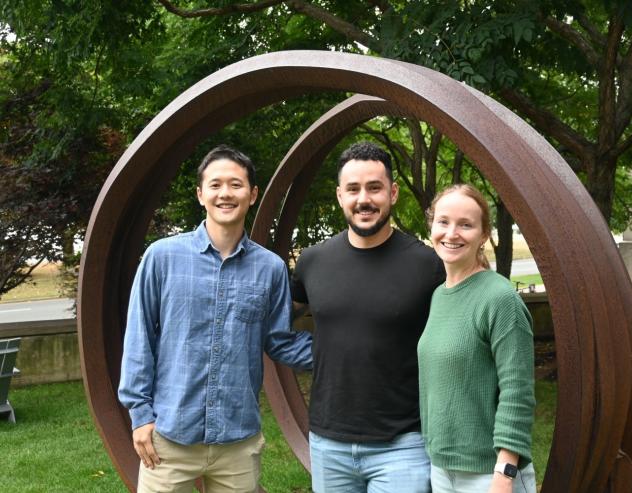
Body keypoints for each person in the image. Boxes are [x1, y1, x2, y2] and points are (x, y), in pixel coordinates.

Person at [118, 145, 313, 493]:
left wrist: (349, 350)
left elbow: (280, 341)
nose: (226, 193)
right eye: (216, 184)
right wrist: (140, 415)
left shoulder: (270, 269)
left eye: (236, 185)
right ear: (200, 194)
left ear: (252, 195)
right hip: (168, 439)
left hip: (237, 442)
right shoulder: (162, 258)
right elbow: (139, 338)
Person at [291, 141, 445, 492]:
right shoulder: (313, 262)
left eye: (374, 188)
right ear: (339, 196)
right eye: (353, 189)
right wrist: (311, 354)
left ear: (392, 193)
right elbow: (279, 319)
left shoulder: (426, 265)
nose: (364, 199)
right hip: (328, 443)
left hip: (402, 443)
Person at [418, 184, 536, 493]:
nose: (452, 233)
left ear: (483, 235)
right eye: (443, 221)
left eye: (466, 224)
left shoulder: (500, 299)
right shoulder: (438, 296)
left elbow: (518, 391)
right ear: (431, 225)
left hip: (490, 474)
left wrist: (504, 473)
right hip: (443, 470)